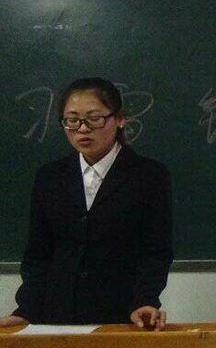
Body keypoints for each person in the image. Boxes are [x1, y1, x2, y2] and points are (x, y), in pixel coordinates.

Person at [0, 78, 173, 330]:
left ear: (120, 119)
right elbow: (38, 253)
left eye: (94, 119)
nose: (82, 129)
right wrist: (26, 310)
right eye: (72, 120)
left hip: (122, 315)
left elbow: (155, 251)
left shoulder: (148, 175)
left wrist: (145, 300)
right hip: (56, 316)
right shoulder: (49, 177)